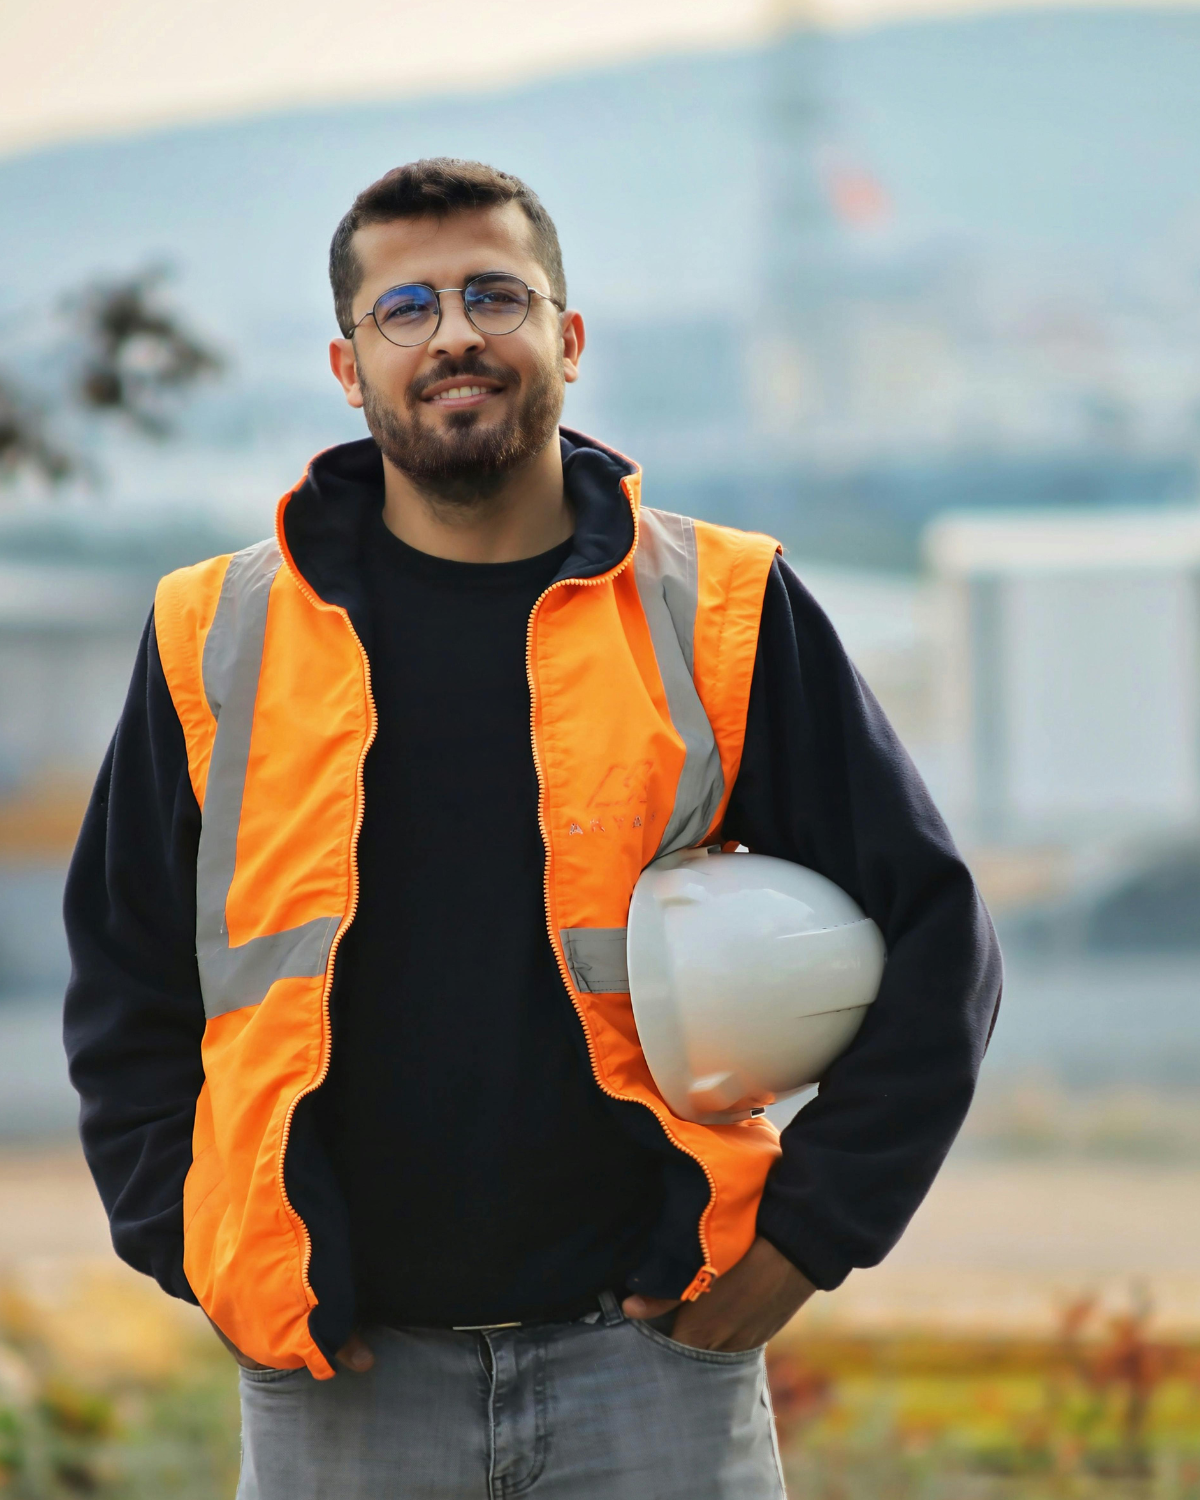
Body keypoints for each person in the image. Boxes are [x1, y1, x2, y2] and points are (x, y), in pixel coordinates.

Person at [63, 158, 1002, 1500]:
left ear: (566, 337)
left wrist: (808, 1238)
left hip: (654, 1363)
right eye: (408, 308)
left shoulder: (718, 609)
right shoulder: (219, 636)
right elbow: (126, 985)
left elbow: (939, 942)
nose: (454, 333)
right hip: (344, 1383)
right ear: (348, 364)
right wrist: (202, 1252)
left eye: (495, 295)